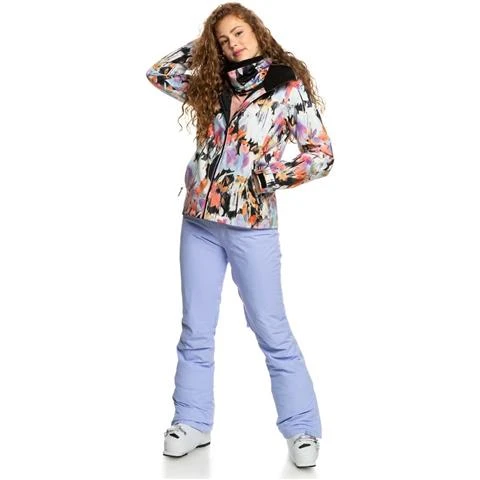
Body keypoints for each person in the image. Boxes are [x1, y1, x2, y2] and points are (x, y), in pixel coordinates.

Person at [145, 2, 334, 468]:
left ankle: (303, 428)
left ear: (257, 32)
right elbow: (158, 73)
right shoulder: (211, 85)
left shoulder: (285, 86)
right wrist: (205, 47)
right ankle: (191, 421)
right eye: (223, 39)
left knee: (270, 327)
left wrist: (267, 176)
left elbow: (321, 154)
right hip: (199, 222)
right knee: (196, 327)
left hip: (251, 226)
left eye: (239, 33)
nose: (233, 44)